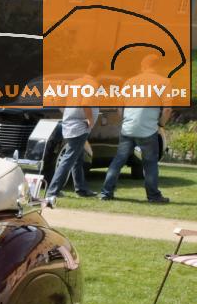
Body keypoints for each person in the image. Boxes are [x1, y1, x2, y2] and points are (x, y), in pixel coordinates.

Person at [100, 56, 173, 204]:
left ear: (142, 65)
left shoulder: (129, 82)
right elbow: (167, 110)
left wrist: (123, 122)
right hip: (148, 129)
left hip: (128, 128)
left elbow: (119, 108)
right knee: (150, 163)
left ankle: (106, 193)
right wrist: (161, 124)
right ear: (158, 66)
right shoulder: (164, 82)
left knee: (118, 160)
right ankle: (153, 196)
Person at [46, 76, 97, 202]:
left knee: (77, 160)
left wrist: (68, 113)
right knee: (68, 159)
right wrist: (90, 120)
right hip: (79, 127)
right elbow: (85, 103)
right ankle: (52, 191)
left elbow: (58, 100)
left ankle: (81, 189)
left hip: (70, 125)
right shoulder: (91, 83)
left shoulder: (75, 82)